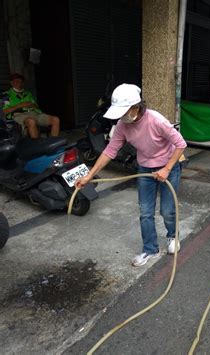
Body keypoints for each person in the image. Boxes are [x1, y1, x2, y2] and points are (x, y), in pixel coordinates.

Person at [75, 84, 187, 267]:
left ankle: (172, 235)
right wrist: (89, 175)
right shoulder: (122, 125)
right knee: (145, 212)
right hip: (145, 169)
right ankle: (150, 249)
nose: (121, 116)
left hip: (169, 167)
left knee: (167, 210)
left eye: (124, 111)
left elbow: (181, 144)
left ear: (136, 107)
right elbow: (110, 150)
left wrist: (166, 168)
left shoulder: (156, 120)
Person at [1, 73, 60, 138]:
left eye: (21, 82)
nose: (19, 84)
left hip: (35, 113)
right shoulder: (6, 95)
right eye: (16, 81)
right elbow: (4, 111)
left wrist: (32, 105)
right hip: (19, 115)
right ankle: (36, 146)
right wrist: (19, 105)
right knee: (31, 121)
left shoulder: (28, 93)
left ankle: (53, 144)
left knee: (55, 119)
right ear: (11, 83)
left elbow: (36, 106)